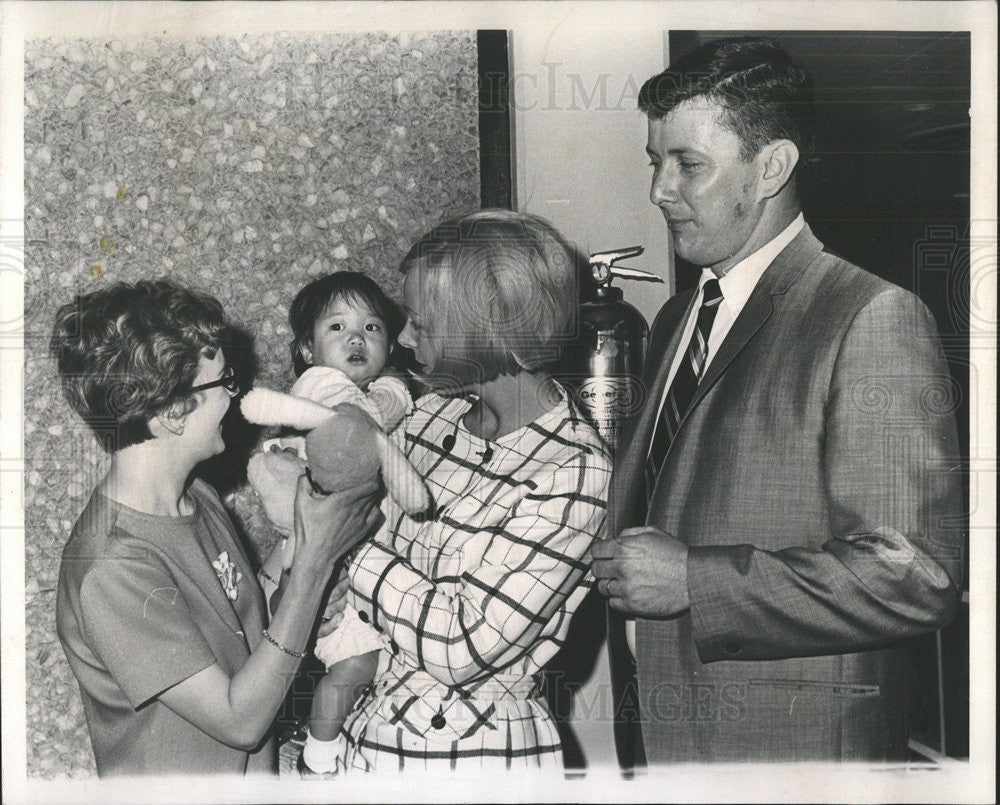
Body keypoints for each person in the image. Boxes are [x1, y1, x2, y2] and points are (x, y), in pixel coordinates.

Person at [591, 38, 963, 763]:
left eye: (688, 165)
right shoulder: (676, 317)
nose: (659, 191)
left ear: (773, 167)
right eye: (655, 162)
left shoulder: (870, 316)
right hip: (672, 737)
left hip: (793, 751)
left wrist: (694, 577)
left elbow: (915, 574)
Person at [51, 279, 383, 776]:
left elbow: (242, 615)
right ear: (170, 414)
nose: (238, 397)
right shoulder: (112, 566)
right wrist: (312, 570)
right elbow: (240, 721)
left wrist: (303, 539)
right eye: (225, 382)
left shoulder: (196, 498)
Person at [323, 210, 612, 773]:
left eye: (421, 324)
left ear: (484, 327)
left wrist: (342, 542)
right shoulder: (428, 418)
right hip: (369, 749)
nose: (402, 339)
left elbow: (462, 646)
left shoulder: (574, 472)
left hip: (472, 762)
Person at [254, 272, 412, 776]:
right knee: (355, 665)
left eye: (372, 327)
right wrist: (395, 392)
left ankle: (329, 743)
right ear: (306, 348)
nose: (357, 339)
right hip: (329, 561)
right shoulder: (318, 386)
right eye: (337, 327)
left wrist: (393, 388)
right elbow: (363, 420)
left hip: (364, 563)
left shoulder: (373, 389)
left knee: (375, 667)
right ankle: (318, 759)